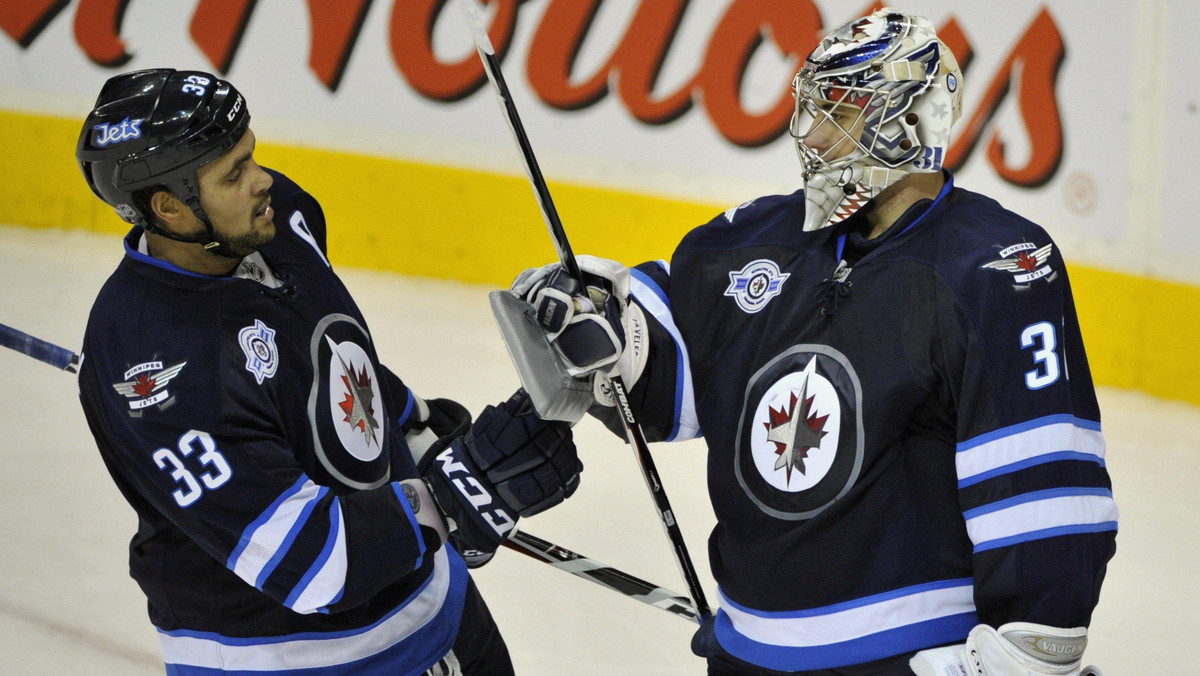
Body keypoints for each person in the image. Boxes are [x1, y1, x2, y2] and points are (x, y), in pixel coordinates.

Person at [498, 8, 1116, 675]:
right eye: (811, 109)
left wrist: (1033, 645)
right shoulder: (753, 239)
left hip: (905, 654)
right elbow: (676, 380)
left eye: (840, 113)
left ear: (911, 123)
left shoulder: (992, 266)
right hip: (743, 653)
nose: (812, 136)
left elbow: (1037, 477)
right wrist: (606, 327)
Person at [73, 68, 583, 676]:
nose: (262, 179)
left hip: (433, 608)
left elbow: (325, 350)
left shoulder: (277, 218)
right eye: (233, 173)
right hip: (292, 659)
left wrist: (416, 432)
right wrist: (453, 495)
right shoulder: (161, 374)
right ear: (170, 209)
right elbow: (308, 563)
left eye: (250, 155)